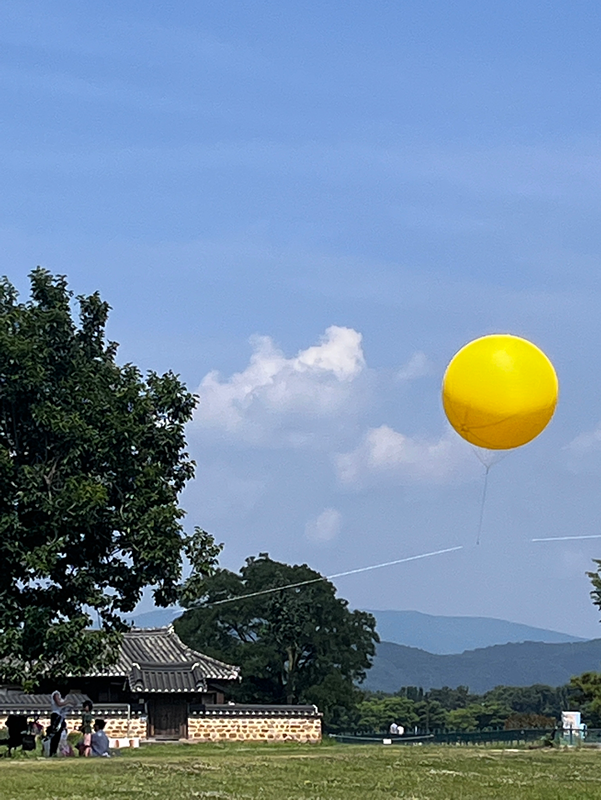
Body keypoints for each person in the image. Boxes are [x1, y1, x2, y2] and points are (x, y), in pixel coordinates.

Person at [48, 690, 71, 757]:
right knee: (55, 734)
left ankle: (55, 751)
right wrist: (68, 702)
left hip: (61, 716)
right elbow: (59, 703)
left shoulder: (62, 696)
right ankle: (52, 751)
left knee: (58, 734)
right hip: (56, 715)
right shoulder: (56, 693)